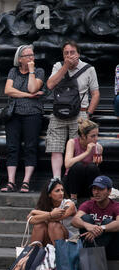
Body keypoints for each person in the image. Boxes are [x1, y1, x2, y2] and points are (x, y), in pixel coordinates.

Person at [46, 40, 100, 179]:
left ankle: (72, 178)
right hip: (59, 112)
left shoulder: (89, 69)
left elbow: (95, 94)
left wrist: (88, 114)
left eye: (72, 52)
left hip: (80, 113)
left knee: (78, 148)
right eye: (66, 53)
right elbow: (50, 85)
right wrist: (65, 66)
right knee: (55, 148)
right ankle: (56, 180)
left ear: (78, 53)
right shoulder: (58, 66)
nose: (69, 55)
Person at [1, 45, 45, 193]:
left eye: (32, 55)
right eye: (27, 56)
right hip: (14, 113)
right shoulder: (13, 71)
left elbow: (33, 87)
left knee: (30, 147)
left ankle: (26, 181)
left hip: (32, 113)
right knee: (12, 147)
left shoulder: (39, 71)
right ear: (19, 59)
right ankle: (11, 181)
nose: (31, 58)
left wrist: (31, 71)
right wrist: (27, 95)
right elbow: (8, 91)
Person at [71, 175, 119, 260]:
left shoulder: (116, 206)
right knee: (85, 218)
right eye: (94, 189)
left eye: (100, 189)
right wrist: (87, 226)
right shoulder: (87, 204)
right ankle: (93, 257)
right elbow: (74, 220)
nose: (96, 192)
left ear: (109, 191)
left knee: (108, 222)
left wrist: (100, 229)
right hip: (89, 244)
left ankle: (91, 258)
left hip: (110, 249)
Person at [26, 178, 78, 246]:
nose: (61, 193)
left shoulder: (69, 204)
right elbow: (30, 219)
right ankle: (33, 253)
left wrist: (35, 212)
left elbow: (58, 217)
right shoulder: (45, 205)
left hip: (71, 239)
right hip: (51, 236)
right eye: (57, 191)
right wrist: (50, 214)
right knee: (39, 225)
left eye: (62, 190)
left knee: (53, 224)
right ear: (49, 194)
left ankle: (60, 254)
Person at [63, 119, 102, 204]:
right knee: (78, 166)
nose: (96, 139)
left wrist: (97, 163)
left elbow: (94, 172)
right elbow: (67, 164)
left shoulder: (98, 147)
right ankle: (73, 199)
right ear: (83, 136)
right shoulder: (72, 142)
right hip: (71, 184)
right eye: (93, 136)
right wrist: (87, 152)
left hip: (87, 185)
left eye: (97, 135)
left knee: (92, 167)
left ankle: (93, 200)